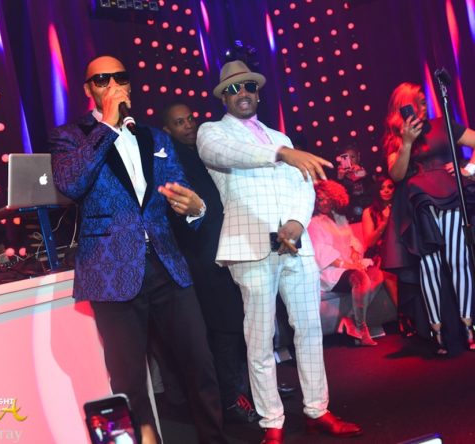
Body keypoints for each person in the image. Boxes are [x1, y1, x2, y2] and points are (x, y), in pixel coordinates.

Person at [48, 55, 228, 444]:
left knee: (200, 363)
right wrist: (106, 127)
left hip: (167, 265)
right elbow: (71, 184)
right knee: (129, 380)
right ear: (89, 90)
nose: (112, 85)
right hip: (111, 273)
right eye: (101, 80)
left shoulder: (155, 138)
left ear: (129, 85)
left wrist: (195, 208)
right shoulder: (71, 137)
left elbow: (179, 189)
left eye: (120, 77)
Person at [197, 60, 361, 443]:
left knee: (309, 329)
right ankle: (272, 421)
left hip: (294, 247)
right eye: (233, 89)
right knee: (260, 337)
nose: (242, 93)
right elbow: (228, 155)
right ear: (223, 97)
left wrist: (297, 223)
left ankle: (317, 410)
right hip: (250, 246)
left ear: (257, 92)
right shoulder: (212, 133)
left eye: (248, 86)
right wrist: (282, 153)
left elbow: (302, 185)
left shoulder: (278, 135)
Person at [161, 102, 258, 424]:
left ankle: (254, 391)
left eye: (190, 119)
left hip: (230, 247)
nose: (189, 125)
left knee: (242, 323)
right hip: (204, 256)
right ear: (167, 131)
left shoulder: (205, 151)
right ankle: (231, 400)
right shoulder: (172, 162)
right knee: (224, 329)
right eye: (179, 122)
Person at [382, 81, 475, 355]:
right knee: (430, 267)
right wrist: (407, 142)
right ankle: (438, 332)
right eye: (418, 102)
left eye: (424, 102)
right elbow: (396, 174)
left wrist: (469, 169)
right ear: (404, 107)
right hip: (419, 205)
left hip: (450, 195)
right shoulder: (397, 138)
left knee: (458, 260)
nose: (423, 107)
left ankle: (469, 325)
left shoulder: (442, 125)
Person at [308, 180, 383, 346]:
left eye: (324, 198)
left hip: (348, 265)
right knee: (360, 278)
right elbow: (320, 252)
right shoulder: (314, 223)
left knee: (377, 274)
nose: (321, 202)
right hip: (330, 271)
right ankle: (362, 329)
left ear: (334, 197)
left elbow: (351, 240)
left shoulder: (340, 218)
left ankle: (349, 319)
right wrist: (347, 265)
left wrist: (355, 251)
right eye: (318, 199)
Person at [361, 176, 399, 309]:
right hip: (379, 254)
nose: (386, 191)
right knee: (389, 272)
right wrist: (384, 222)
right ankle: (403, 314)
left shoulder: (401, 207)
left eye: (390, 187)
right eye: (382, 188)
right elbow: (369, 242)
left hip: (400, 251)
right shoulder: (369, 212)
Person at [336, 145, 373, 223]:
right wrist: (340, 179)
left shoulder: (365, 171)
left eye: (352, 157)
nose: (350, 161)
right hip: (349, 217)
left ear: (358, 157)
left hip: (367, 213)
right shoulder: (340, 175)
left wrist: (362, 174)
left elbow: (373, 189)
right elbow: (338, 199)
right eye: (347, 158)